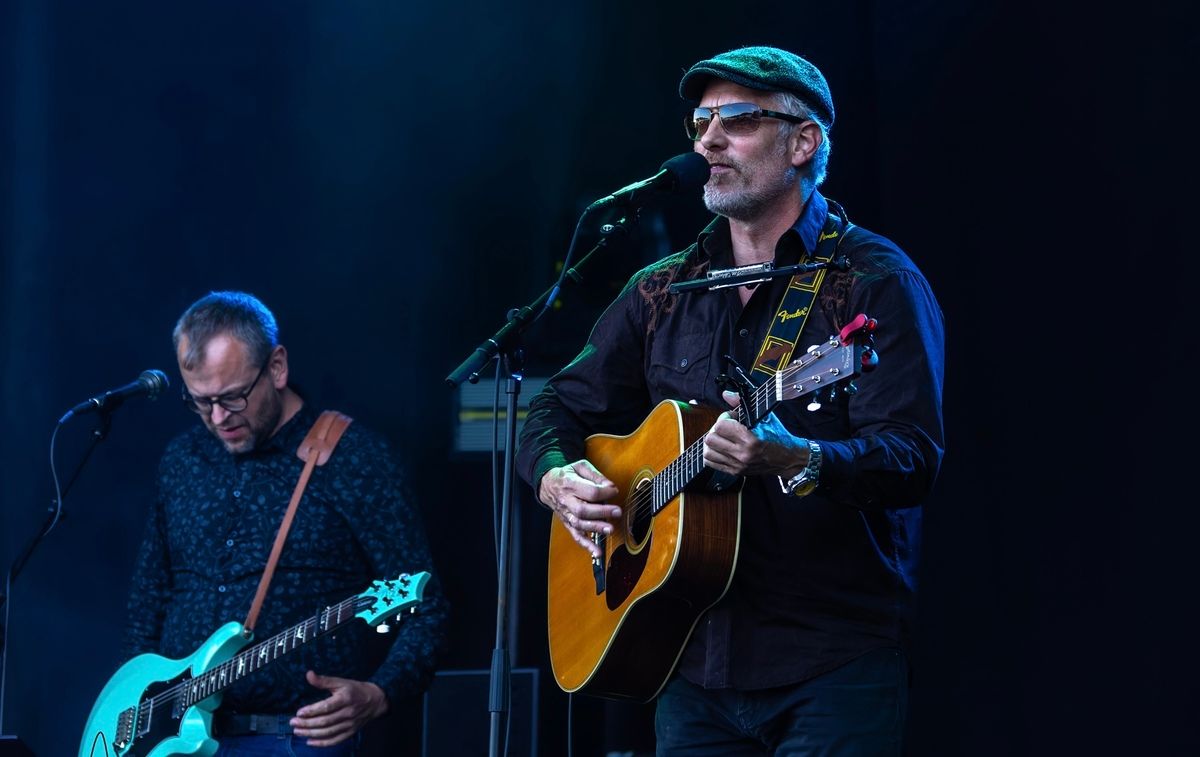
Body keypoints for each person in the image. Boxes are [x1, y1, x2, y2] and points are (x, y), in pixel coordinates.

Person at [516, 46, 944, 755]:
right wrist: (558, 477)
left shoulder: (869, 281)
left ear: (803, 141)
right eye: (700, 121)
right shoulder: (663, 287)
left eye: (737, 120)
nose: (707, 140)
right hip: (687, 658)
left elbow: (912, 457)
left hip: (830, 662)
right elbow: (552, 406)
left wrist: (796, 456)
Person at [123, 290, 449, 755]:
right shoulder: (183, 458)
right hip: (172, 741)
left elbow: (427, 607)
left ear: (276, 367)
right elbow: (148, 599)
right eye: (201, 402)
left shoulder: (354, 460)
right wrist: (134, 709)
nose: (218, 418)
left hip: (292, 738)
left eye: (233, 397)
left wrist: (381, 693)